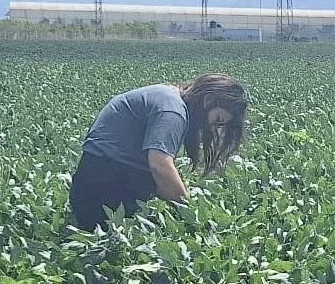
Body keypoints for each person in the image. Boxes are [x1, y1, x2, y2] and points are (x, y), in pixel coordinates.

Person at [69, 73, 247, 230]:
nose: (211, 127)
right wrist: (190, 216)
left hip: (94, 184)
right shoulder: (172, 111)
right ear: (208, 101)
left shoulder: (167, 97)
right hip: (104, 190)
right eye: (217, 119)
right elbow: (160, 166)